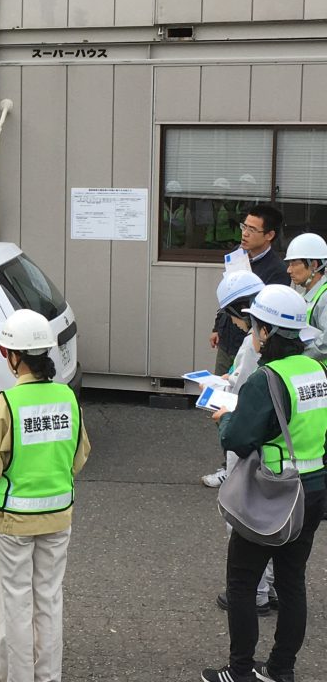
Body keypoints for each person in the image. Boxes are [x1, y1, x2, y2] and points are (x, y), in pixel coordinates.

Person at [202, 284, 327, 682]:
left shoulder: (266, 379)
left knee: (242, 582)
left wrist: (225, 419)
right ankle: (280, 670)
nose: (253, 333)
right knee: (292, 582)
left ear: (267, 332)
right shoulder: (318, 371)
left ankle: (239, 671)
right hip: (313, 488)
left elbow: (238, 440)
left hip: (272, 490)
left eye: (256, 325)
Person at [0, 309, 90, 682]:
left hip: (14, 520)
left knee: (16, 602)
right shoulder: (67, 398)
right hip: (59, 514)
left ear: (10, 354)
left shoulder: (1, 405)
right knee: (49, 598)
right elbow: (79, 455)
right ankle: (48, 677)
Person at [204, 204, 290, 488]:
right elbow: (228, 296)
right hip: (230, 339)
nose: (245, 234)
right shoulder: (237, 256)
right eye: (244, 227)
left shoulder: (277, 270)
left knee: (247, 406)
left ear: (269, 235)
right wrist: (218, 325)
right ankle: (227, 463)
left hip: (255, 345)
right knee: (223, 399)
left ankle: (243, 467)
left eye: (252, 229)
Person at [208, 272, 277, 616]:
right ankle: (270, 587)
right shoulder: (273, 341)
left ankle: (255, 592)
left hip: (247, 438)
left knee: (242, 513)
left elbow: (244, 391)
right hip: (278, 448)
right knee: (271, 514)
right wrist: (228, 377)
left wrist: (222, 404)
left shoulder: (255, 344)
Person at [283, 232, 327, 360]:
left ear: (314, 265)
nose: (289, 270)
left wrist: (297, 359)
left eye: (294, 263)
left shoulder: (325, 297)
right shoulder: (305, 296)